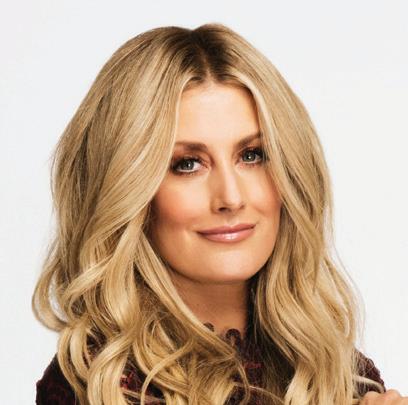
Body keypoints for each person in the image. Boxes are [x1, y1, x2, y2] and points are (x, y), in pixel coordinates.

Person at [32, 23, 403, 404]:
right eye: (188, 164)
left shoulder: (341, 373)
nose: (231, 197)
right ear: (128, 189)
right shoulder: (97, 383)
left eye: (252, 155)